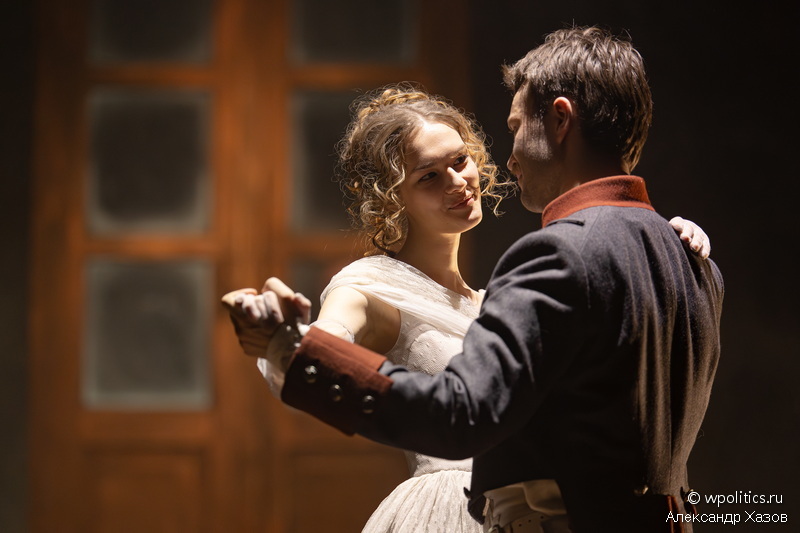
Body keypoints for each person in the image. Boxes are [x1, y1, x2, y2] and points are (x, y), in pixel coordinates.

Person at [224, 28, 722, 532]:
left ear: (560, 120)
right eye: (428, 176)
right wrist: (296, 342)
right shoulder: (694, 264)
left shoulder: (556, 259)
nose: (502, 160)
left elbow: (468, 414)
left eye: (462, 160)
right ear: (392, 197)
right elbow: (330, 336)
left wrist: (294, 349)